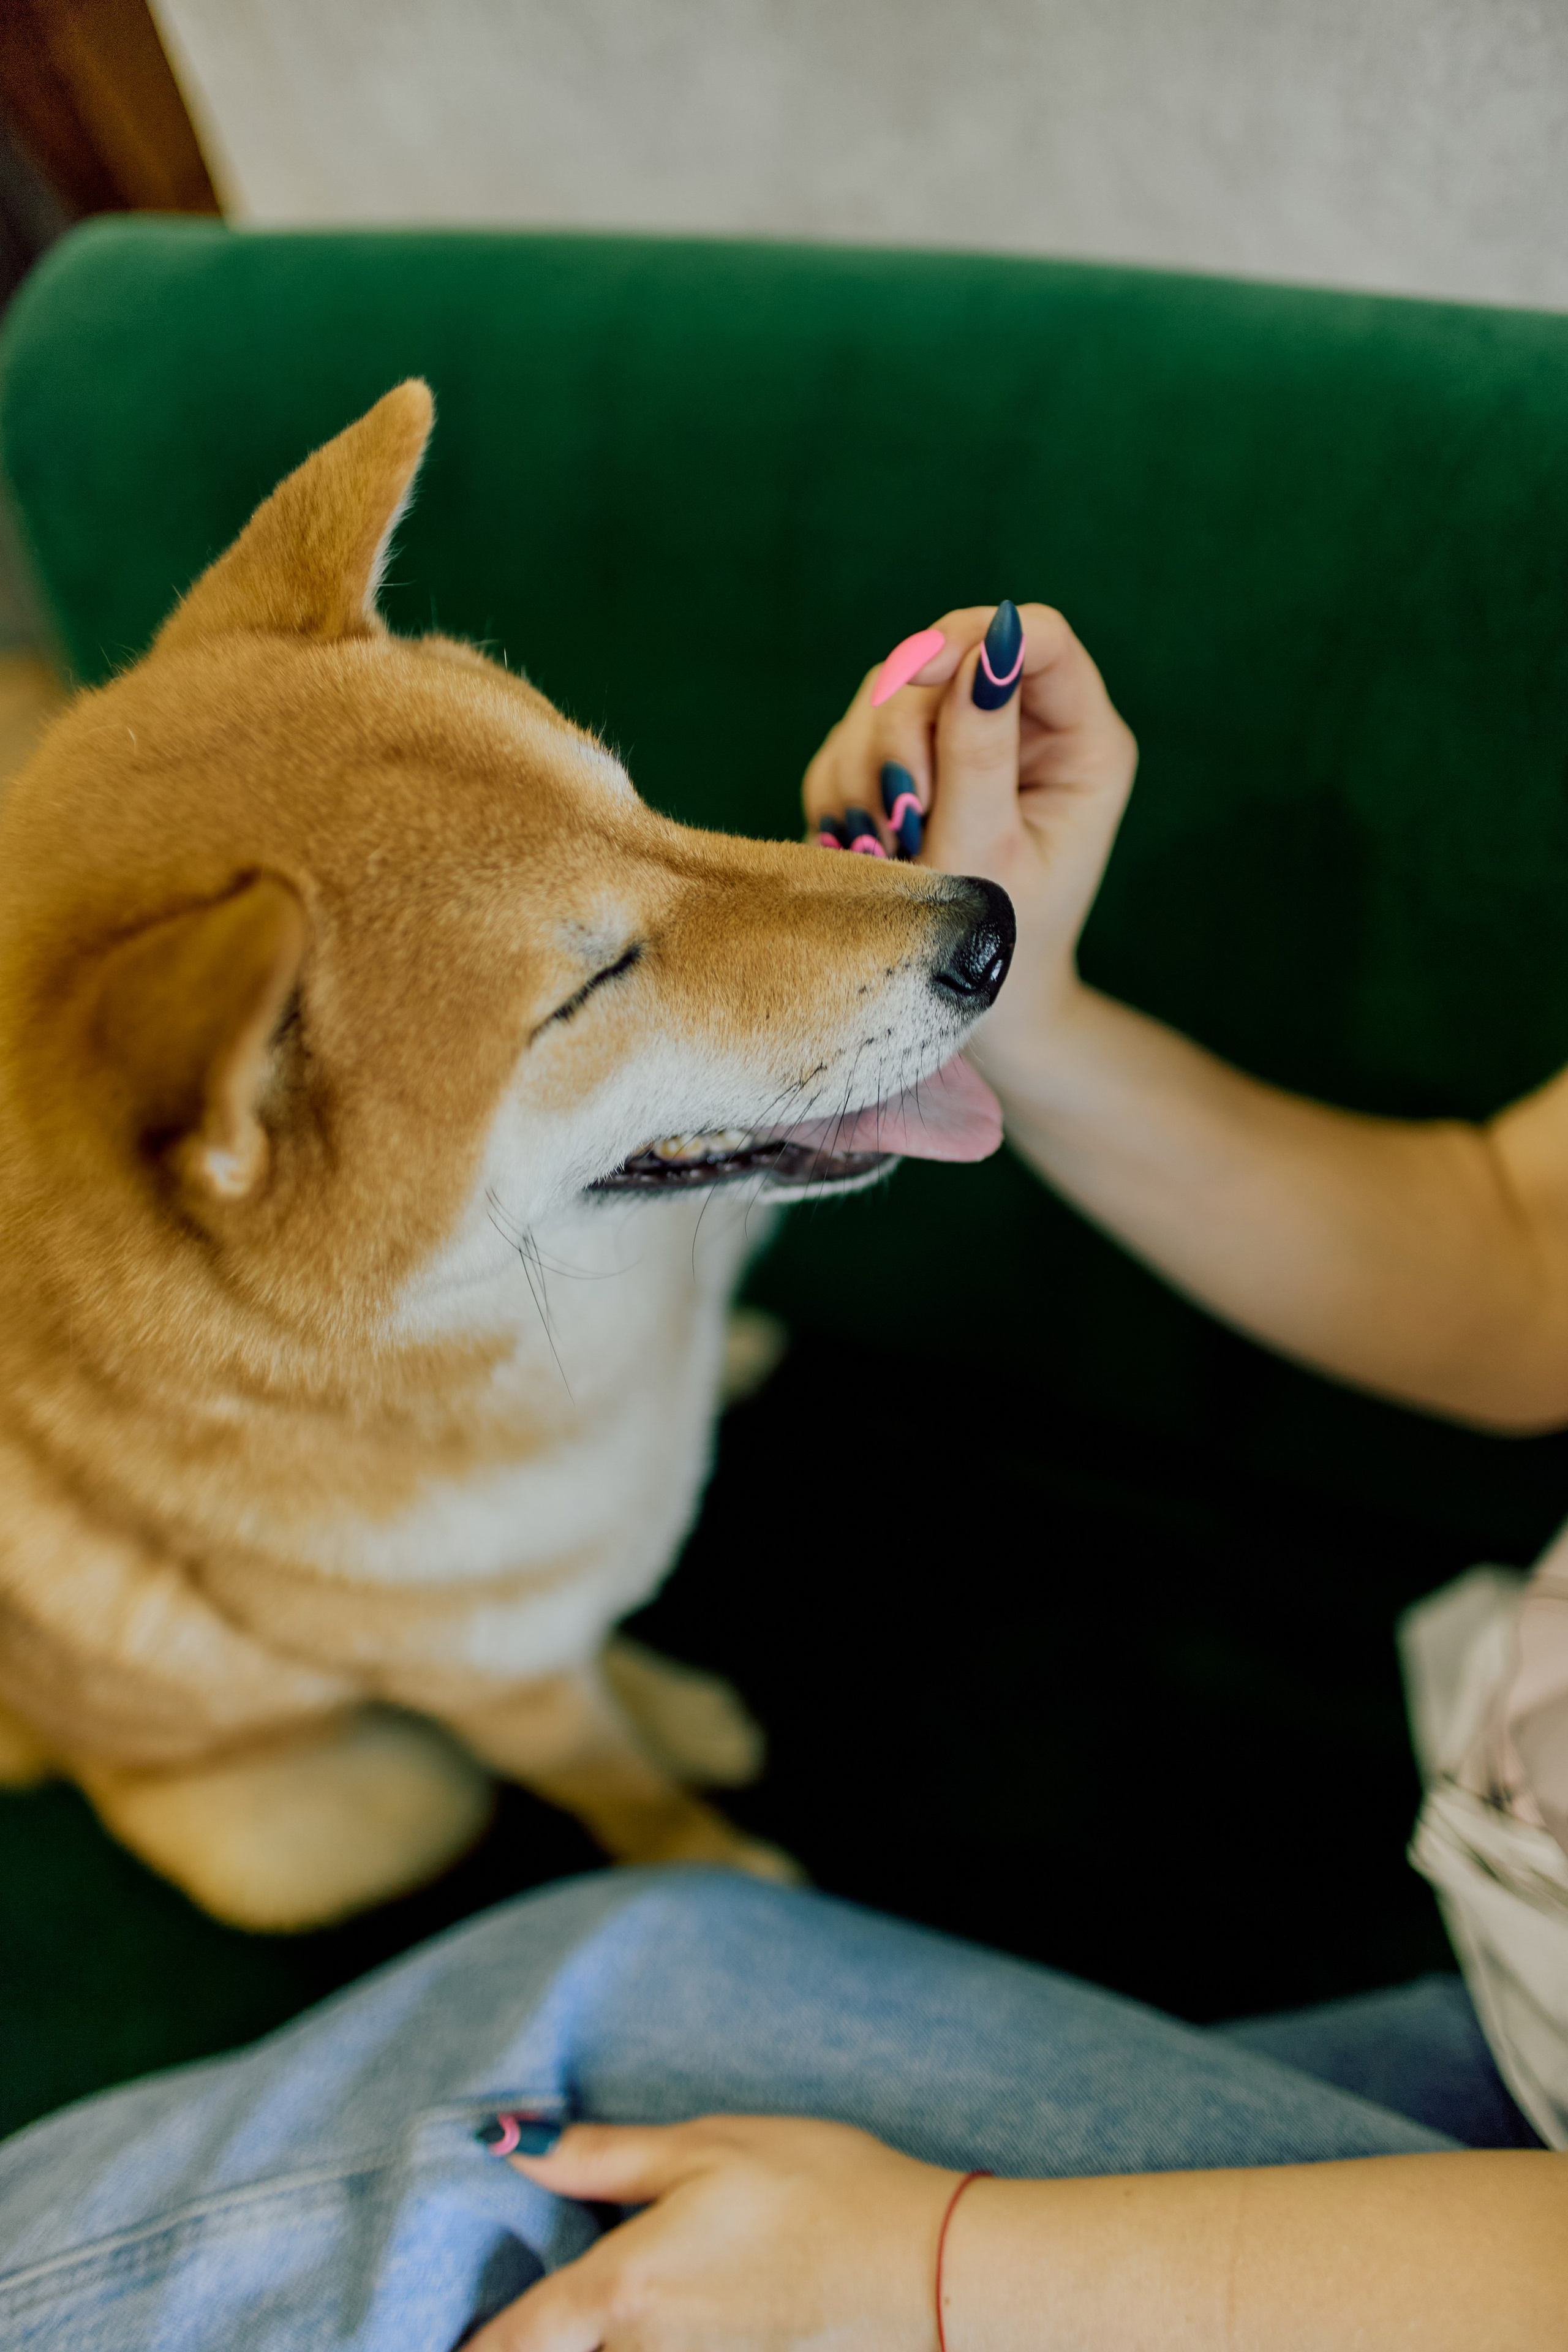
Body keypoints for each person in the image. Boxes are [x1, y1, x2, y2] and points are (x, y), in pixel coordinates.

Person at [3, 607, 1566, 2350]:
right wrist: (1026, 1010)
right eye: (591, 981)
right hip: (1509, 1940)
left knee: (541, 2072)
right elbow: (1520, 1256)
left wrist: (944, 2272)